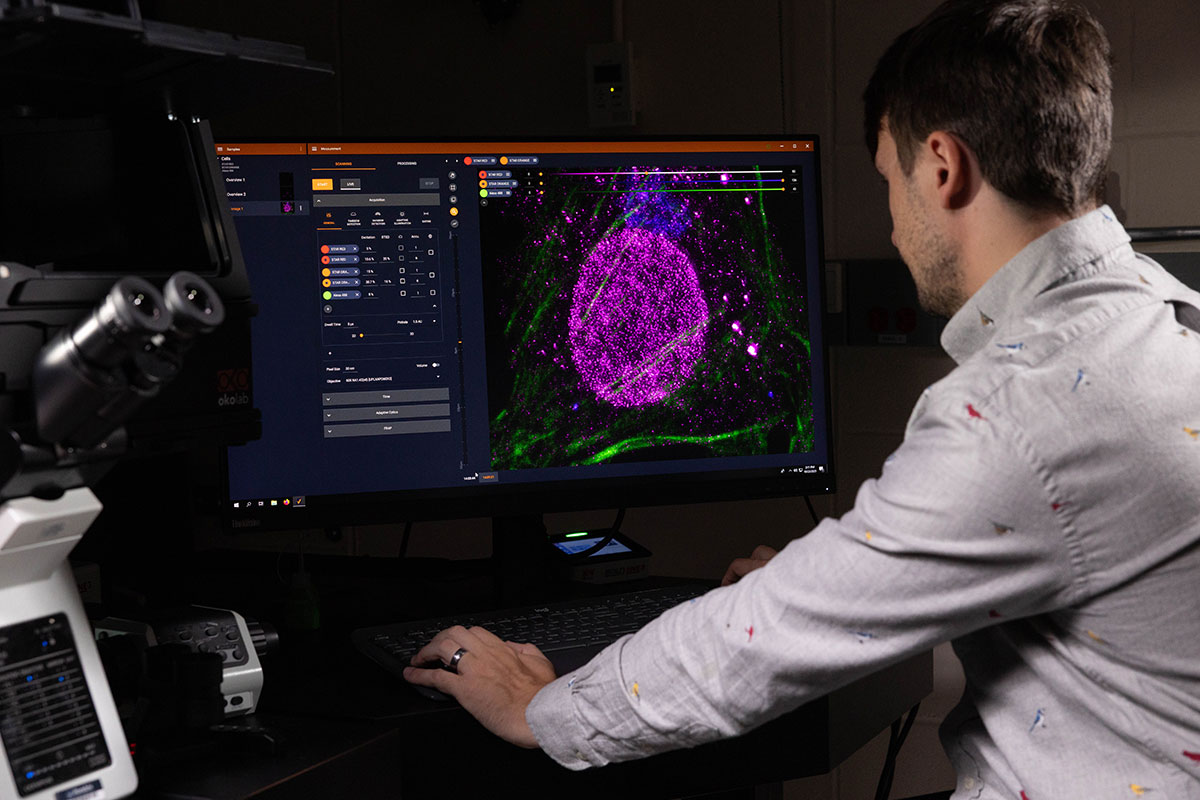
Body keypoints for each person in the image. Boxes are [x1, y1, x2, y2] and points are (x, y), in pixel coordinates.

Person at [406, 1, 1200, 796]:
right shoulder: (1167, 324)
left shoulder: (1017, 411)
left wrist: (543, 709)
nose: (892, 227)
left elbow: (760, 644)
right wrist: (848, 573)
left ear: (942, 166)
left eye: (889, 183)